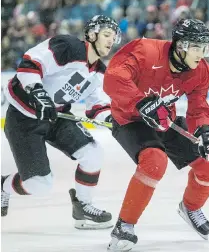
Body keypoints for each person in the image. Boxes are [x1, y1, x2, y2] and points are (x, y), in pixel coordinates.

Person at [103, 18, 209, 252]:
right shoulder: (145, 51)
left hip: (164, 121)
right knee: (154, 162)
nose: (201, 54)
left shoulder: (201, 71)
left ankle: (190, 207)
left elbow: (198, 108)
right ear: (180, 46)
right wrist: (140, 102)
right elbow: (113, 78)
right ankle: (124, 226)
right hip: (129, 119)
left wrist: (205, 130)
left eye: (204, 48)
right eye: (196, 47)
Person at [1, 15, 121, 229]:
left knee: (93, 153)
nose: (111, 41)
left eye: (113, 37)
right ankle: (3, 185)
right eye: (106, 35)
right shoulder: (68, 46)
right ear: (92, 34)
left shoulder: (100, 72)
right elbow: (30, 65)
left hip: (56, 117)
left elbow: (98, 107)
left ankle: (83, 206)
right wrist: (38, 92)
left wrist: (112, 120)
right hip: (24, 118)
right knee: (39, 185)